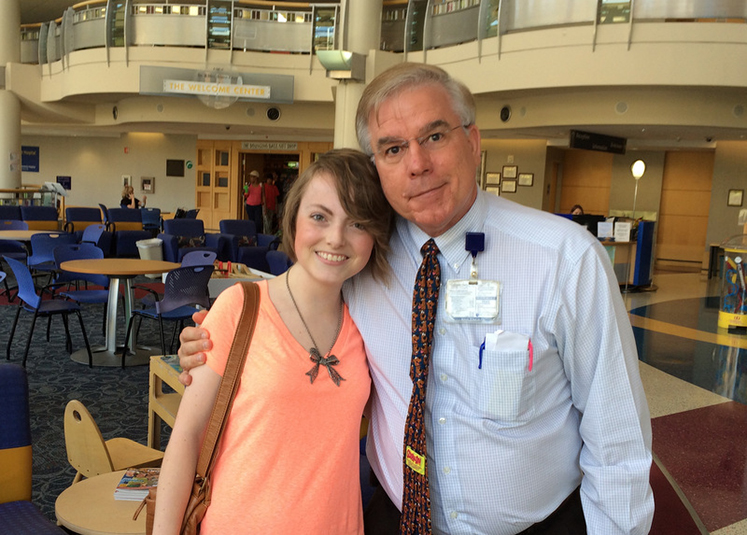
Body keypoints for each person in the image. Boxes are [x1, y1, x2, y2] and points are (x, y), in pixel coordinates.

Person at [178, 63, 654, 534]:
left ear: (472, 140)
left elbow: (618, 441)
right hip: (395, 519)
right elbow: (289, 321)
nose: (417, 164)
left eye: (434, 137)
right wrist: (212, 341)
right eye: (393, 148)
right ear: (378, 168)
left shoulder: (565, 261)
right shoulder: (365, 257)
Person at [152, 149, 393, 534]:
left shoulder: (370, 325)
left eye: (358, 223)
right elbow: (187, 437)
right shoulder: (241, 306)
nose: (336, 238)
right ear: (293, 219)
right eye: (320, 216)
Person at [243, 169, 263, 233]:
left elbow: (263, 195)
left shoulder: (260, 185)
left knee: (258, 221)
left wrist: (264, 205)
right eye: (250, 177)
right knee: (251, 221)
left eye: (252, 177)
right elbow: (245, 194)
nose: (251, 179)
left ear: (256, 178)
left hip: (258, 205)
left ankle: (258, 233)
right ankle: (252, 233)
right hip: (249, 205)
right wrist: (244, 190)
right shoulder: (248, 185)